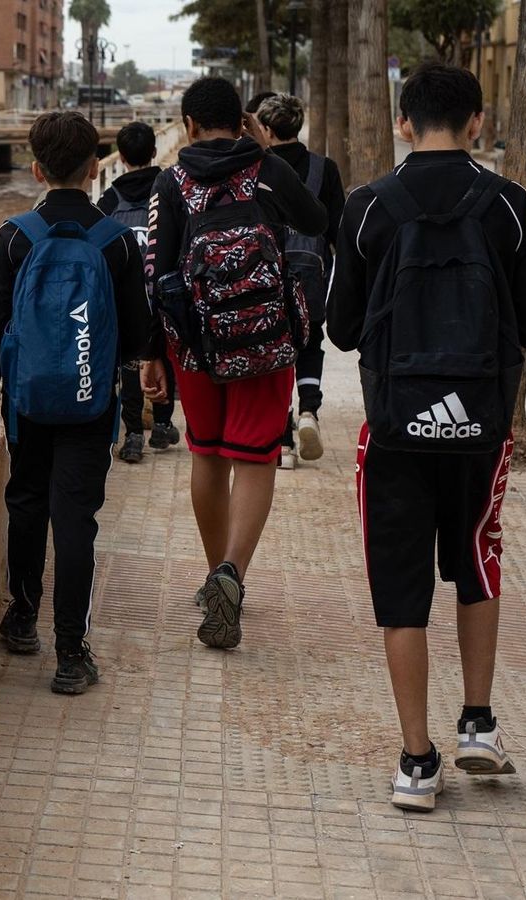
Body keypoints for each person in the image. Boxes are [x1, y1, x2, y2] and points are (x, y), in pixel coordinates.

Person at [325, 63, 526, 812]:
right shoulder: (509, 205)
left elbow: (343, 329)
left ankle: (417, 764)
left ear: (402, 123)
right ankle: (478, 725)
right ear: (477, 123)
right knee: (477, 561)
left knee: (401, 591)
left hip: (395, 428)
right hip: (480, 428)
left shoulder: (367, 208)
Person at [139, 77, 326, 650]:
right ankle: (233, 573)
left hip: (196, 345)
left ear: (188, 125)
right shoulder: (267, 170)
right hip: (266, 342)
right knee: (255, 458)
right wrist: (266, 154)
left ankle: (212, 569)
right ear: (243, 120)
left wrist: (153, 355)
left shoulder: (172, 181)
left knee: (208, 454)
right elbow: (315, 222)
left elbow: (158, 269)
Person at [0, 111, 150, 695]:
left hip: (25, 402)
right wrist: (143, 380)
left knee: (26, 505)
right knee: (76, 522)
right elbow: (137, 334)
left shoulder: (15, 235)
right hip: (91, 404)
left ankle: (22, 618)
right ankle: (72, 654)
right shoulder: (117, 241)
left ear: (36, 169)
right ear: (97, 169)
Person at [248, 92, 348, 469]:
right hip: (312, 274)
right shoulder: (325, 168)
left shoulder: (257, 168)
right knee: (309, 343)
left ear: (268, 129)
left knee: (273, 353)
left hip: (266, 273)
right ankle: (309, 411)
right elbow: (337, 230)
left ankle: (283, 442)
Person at [97, 121, 179, 464]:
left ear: (122, 155)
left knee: (130, 363)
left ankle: (132, 435)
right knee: (164, 354)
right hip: (164, 291)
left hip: (124, 296)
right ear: (154, 151)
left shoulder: (110, 198)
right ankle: (161, 425)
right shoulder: (169, 189)